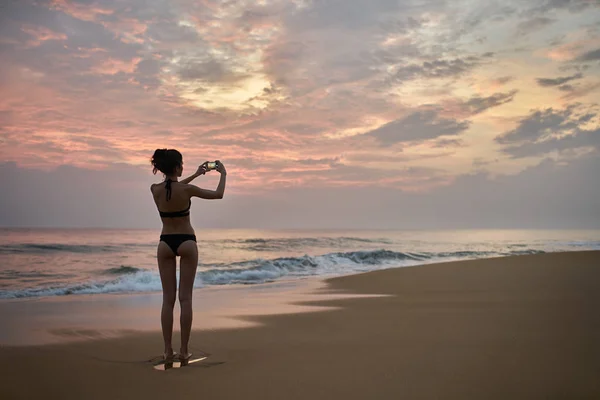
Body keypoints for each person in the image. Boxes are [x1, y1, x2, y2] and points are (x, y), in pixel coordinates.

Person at [149, 149, 227, 362]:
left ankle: (167, 351)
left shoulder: (154, 189)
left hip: (165, 243)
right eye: (181, 165)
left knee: (168, 300)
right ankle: (183, 351)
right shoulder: (188, 190)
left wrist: (195, 173)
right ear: (176, 168)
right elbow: (218, 194)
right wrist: (223, 174)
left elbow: (173, 186)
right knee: (186, 299)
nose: (182, 168)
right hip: (186, 241)